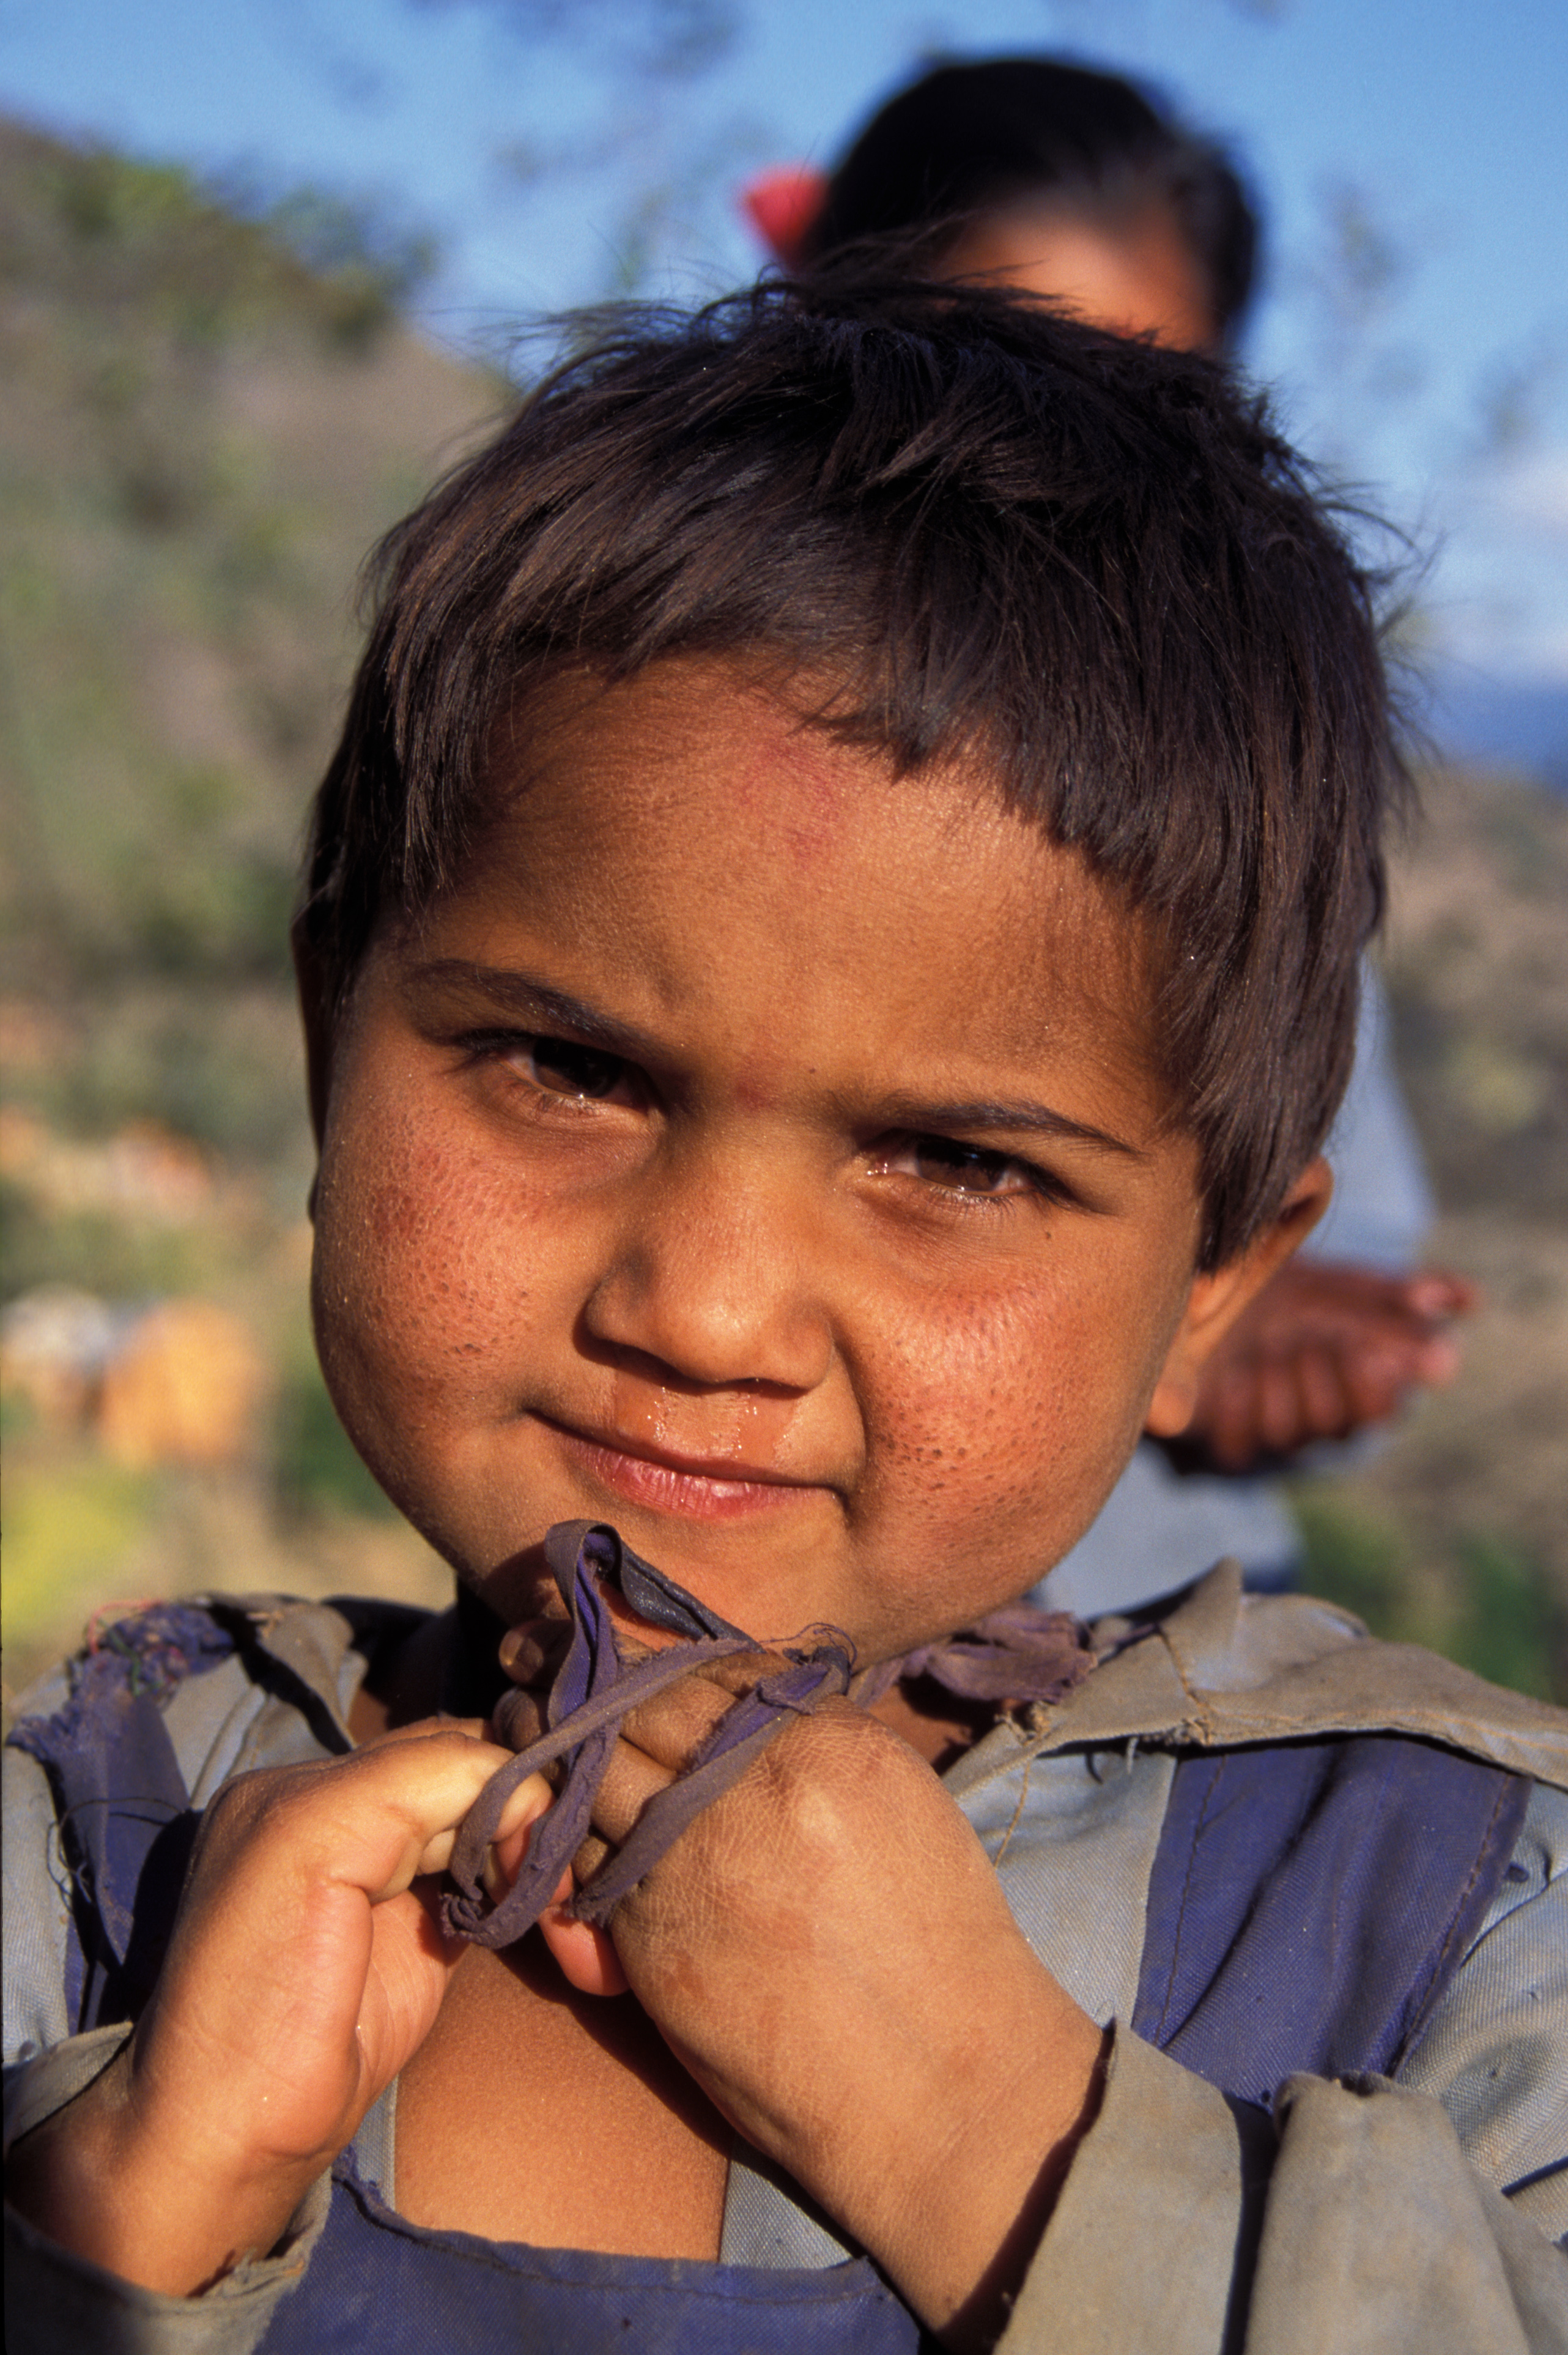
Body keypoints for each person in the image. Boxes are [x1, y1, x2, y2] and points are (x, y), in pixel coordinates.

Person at [5, 283, 1564, 2354]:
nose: (706, 1309)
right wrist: (111, 2223)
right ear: (329, 1052)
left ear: (1215, 1287)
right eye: (566, 1068)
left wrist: (990, 2140)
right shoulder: (96, 1843)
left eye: (959, 1163)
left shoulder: (1449, 1912)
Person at [744, 57, 1476, 1611]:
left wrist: (1238, 1344)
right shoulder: (662, 719)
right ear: (810, 329)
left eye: (1143, 394)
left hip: (1136, 1663)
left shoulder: (1221, 820)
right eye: (987, 359)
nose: (1058, 458)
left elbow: (1335, 1247)